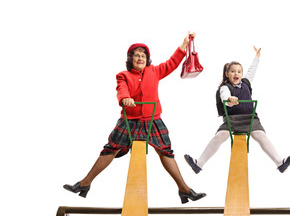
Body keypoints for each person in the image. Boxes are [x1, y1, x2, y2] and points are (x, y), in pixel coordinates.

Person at [64, 32, 206, 204]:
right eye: (137, 56)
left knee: (166, 152)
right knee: (111, 148)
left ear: (148, 59)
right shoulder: (123, 75)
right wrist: (125, 98)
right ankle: (85, 183)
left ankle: (184, 189)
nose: (140, 58)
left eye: (143, 55)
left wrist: (184, 44)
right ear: (130, 59)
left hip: (153, 120)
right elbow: (121, 89)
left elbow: (172, 63)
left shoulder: (154, 71)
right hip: (129, 121)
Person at [184, 46, 290, 174]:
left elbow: (252, 70)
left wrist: (257, 57)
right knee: (220, 136)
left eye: (239, 72)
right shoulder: (225, 87)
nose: (236, 74)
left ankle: (280, 162)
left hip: (250, 118)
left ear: (242, 74)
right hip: (232, 120)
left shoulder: (246, 83)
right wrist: (230, 100)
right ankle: (199, 163)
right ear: (227, 74)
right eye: (232, 71)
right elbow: (224, 97)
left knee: (260, 135)